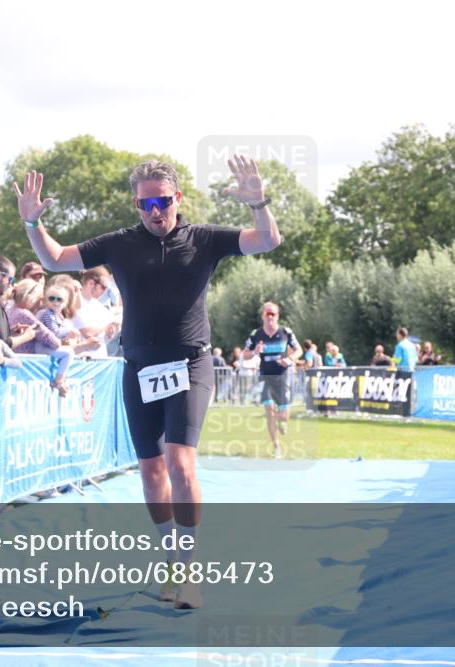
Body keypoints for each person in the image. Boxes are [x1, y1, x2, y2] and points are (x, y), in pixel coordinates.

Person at [17, 155, 280, 609]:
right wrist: (33, 223)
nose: (155, 211)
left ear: (177, 198)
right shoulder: (121, 243)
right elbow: (53, 257)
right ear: (136, 206)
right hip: (139, 367)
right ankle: (171, 560)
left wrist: (259, 204)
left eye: (162, 201)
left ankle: (190, 570)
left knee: (180, 463)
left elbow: (268, 240)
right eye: (145, 204)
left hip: (190, 364)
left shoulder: (204, 239)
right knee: (152, 470)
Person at [244, 302, 302, 458]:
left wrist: (289, 359)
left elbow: (299, 350)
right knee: (269, 410)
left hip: (283, 375)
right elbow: (245, 354)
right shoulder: (256, 334)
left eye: (273, 314)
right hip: (265, 376)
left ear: (278, 316)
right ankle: (277, 446)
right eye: (267, 314)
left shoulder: (286, 332)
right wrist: (255, 351)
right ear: (263, 316)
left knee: (283, 415)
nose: (270, 317)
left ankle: (283, 422)